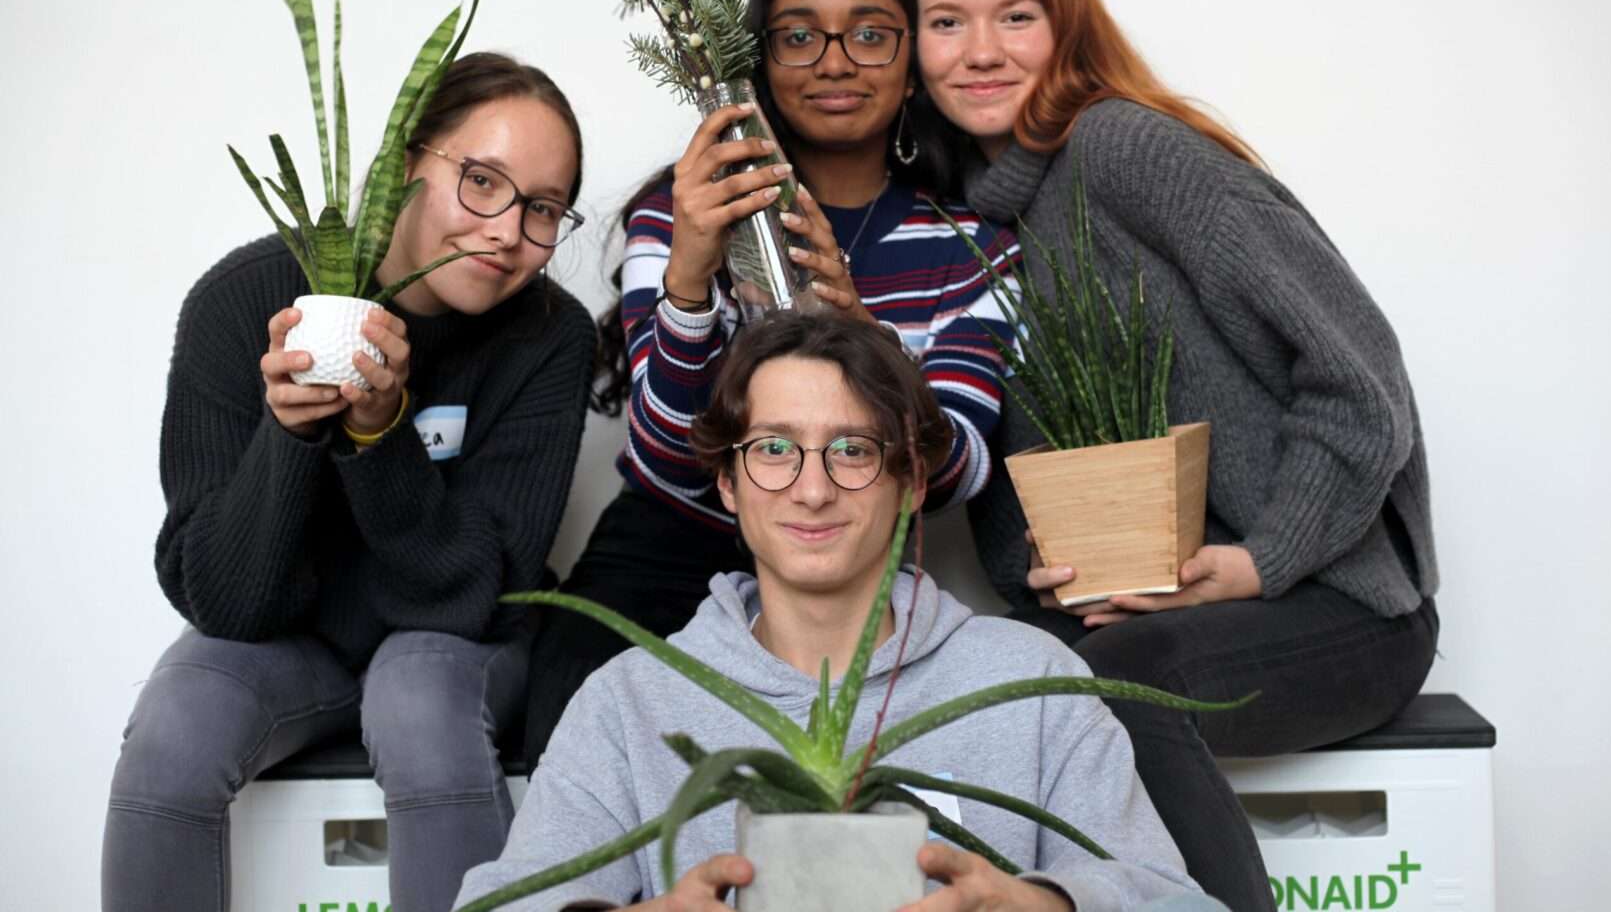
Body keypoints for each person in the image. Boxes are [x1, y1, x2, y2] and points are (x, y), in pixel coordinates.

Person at [905, 0, 1441, 910]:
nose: (980, 51)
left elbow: (1361, 372)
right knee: (976, 687)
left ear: (1066, 22)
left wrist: (1260, 560)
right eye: (946, 21)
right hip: (1161, 607)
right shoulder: (974, 222)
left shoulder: (1123, 150)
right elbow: (1019, 490)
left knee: (1125, 686)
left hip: (1338, 606)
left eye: (1015, 15)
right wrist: (1053, 572)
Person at [459, 313, 1223, 912]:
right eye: (773, 449)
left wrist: (1040, 904)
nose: (813, 489)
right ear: (727, 483)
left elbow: (1181, 903)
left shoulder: (1032, 680)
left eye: (853, 450)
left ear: (912, 481)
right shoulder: (630, 700)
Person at [102, 53, 598, 912]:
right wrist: (292, 433)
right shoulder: (244, 299)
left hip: (458, 638)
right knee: (177, 723)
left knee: (417, 697)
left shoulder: (550, 338)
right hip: (292, 639)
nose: (507, 231)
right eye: (482, 181)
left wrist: (381, 432)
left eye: (544, 208)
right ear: (406, 166)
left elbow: (474, 595)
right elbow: (222, 600)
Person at [523, 0, 1020, 766]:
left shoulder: (970, 245)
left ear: (911, 63)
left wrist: (860, 332)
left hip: (848, 558)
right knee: (579, 746)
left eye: (870, 34)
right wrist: (689, 276)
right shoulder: (680, 213)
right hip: (668, 553)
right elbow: (666, 456)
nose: (835, 62)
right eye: (798, 36)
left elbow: (953, 473)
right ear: (755, 61)